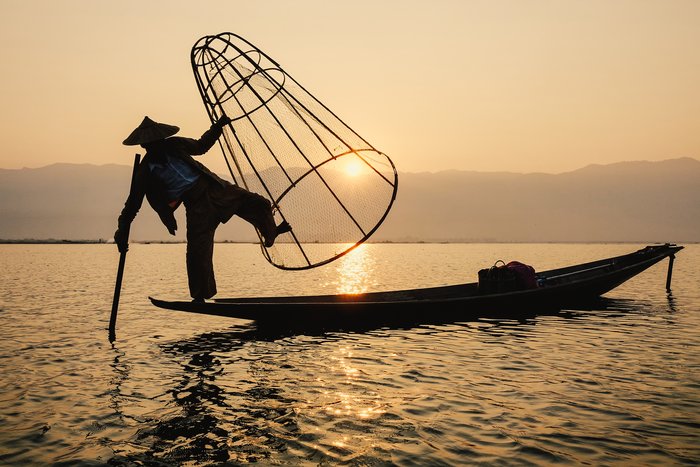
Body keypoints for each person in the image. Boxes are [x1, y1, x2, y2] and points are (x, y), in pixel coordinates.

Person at [115, 116, 291, 301]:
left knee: (260, 203)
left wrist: (217, 127)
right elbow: (132, 205)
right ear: (144, 146)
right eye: (150, 145)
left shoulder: (175, 145)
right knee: (197, 252)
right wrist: (121, 230)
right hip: (196, 205)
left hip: (214, 187)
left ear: (161, 140)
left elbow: (201, 146)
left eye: (157, 142)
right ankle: (200, 295)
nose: (155, 146)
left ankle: (270, 232)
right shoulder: (145, 171)